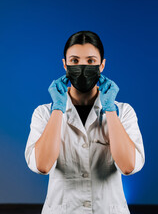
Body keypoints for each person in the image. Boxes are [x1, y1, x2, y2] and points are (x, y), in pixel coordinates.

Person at [24, 30, 145, 214]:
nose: (82, 67)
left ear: (102, 65)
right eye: (74, 61)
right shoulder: (43, 113)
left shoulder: (123, 112)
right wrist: (58, 108)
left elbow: (128, 166)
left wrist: (110, 110)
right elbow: (42, 165)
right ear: (65, 65)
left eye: (90, 61)